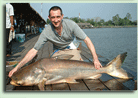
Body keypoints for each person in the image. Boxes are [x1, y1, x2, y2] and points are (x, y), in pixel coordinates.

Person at [8, 6, 102, 77]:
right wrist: (17, 67)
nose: (56, 20)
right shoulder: (46, 31)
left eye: (58, 17)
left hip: (72, 47)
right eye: (53, 17)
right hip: (58, 51)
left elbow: (87, 40)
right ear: (49, 17)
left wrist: (95, 58)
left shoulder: (71, 24)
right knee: (53, 71)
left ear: (62, 16)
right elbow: (34, 50)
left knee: (78, 68)